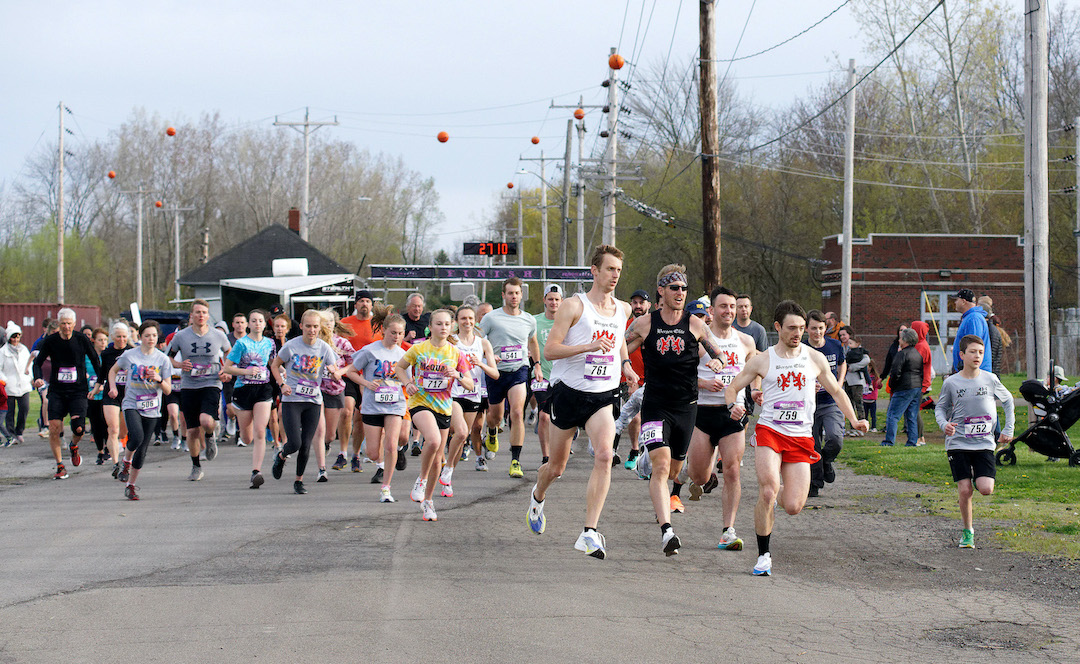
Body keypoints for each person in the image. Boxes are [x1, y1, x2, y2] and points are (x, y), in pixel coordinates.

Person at [724, 300, 868, 576]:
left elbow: (837, 391)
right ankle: (763, 555)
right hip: (770, 431)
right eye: (792, 328)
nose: (798, 333)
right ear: (778, 327)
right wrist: (733, 405)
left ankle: (775, 496)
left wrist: (854, 419)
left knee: (792, 506)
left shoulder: (814, 359)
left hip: (801, 436)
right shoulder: (763, 360)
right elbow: (733, 387)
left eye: (801, 328)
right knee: (768, 491)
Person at [528, 245, 635, 559]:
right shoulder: (574, 306)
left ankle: (589, 532)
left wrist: (626, 365)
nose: (614, 275)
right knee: (556, 468)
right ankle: (538, 495)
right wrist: (587, 347)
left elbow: (619, 341)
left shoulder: (623, 309)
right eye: (609, 269)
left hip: (603, 396)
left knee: (604, 454)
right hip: (568, 393)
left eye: (618, 270)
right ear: (594, 271)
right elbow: (550, 350)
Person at [625, 264, 726, 557]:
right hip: (656, 405)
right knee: (661, 466)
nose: (680, 293)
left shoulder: (694, 324)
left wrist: (717, 362)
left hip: (686, 407)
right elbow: (621, 347)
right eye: (674, 288)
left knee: (674, 470)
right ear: (661, 291)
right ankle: (667, 531)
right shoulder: (645, 323)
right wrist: (626, 366)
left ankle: (648, 463)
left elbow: (717, 352)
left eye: (683, 288)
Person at [684, 285, 759, 550]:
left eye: (733, 306)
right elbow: (681, 377)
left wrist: (756, 391)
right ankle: (689, 469)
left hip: (732, 414)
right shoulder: (698, 341)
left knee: (732, 470)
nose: (729, 311)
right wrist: (704, 383)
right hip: (702, 413)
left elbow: (755, 371)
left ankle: (728, 531)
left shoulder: (746, 341)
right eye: (723, 306)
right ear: (712, 311)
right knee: (700, 477)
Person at [935, 335, 1014, 549]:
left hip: (984, 443)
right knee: (964, 490)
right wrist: (944, 425)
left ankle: (977, 476)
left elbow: (1008, 401)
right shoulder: (951, 382)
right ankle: (967, 531)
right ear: (962, 355)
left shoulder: (990, 379)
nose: (977, 356)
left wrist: (1008, 429)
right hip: (958, 443)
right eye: (972, 352)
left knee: (986, 488)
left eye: (980, 352)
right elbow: (940, 408)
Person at [394, 309, 474, 521]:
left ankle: (428, 502)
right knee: (434, 440)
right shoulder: (419, 349)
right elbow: (399, 367)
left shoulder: (456, 353)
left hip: (443, 407)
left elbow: (470, 384)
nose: (443, 327)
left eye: (447, 324)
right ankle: (421, 479)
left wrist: (458, 375)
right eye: (439, 324)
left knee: (438, 458)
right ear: (430, 327)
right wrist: (407, 383)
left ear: (452, 327)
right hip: (420, 403)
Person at [269, 310, 343, 495]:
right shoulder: (291, 346)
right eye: (308, 326)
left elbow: (334, 369)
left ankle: (298, 481)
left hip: (313, 401)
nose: (312, 330)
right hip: (292, 399)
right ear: (301, 326)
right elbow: (274, 365)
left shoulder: (324, 348)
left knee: (306, 443)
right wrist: (282, 384)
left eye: (315, 326)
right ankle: (281, 456)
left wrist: (334, 373)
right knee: (294, 442)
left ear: (320, 328)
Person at [479, 277, 542, 478]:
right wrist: (489, 356)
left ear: (521, 295)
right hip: (496, 372)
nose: (513, 296)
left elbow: (533, 342)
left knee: (516, 412)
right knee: (496, 417)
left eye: (517, 293)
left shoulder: (529, 319)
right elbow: (477, 341)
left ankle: (515, 460)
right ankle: (491, 431)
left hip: (519, 369)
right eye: (510, 293)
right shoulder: (491, 318)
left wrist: (537, 365)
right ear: (503, 295)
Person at [346, 307, 410, 503]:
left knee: (390, 445)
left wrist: (410, 386)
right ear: (383, 330)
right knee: (373, 452)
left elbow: (408, 379)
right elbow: (351, 372)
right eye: (393, 332)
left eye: (400, 333)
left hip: (395, 404)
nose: (396, 337)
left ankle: (386, 488)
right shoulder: (370, 351)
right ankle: (381, 462)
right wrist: (367, 384)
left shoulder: (405, 355)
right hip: (372, 405)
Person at [166, 299, 232, 481]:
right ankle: (196, 466)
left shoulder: (218, 335)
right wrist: (179, 364)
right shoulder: (181, 336)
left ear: (208, 315)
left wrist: (226, 369)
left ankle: (210, 435)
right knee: (193, 431)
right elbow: (168, 358)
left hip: (211, 383)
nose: (201, 315)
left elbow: (230, 353)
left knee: (206, 420)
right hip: (189, 385)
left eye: (204, 312)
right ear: (192, 315)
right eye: (197, 312)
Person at [32, 308, 101, 480]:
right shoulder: (51, 341)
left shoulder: (81, 339)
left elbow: (95, 359)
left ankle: (73, 446)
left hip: (78, 391)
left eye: (69, 323)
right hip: (57, 391)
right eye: (63, 323)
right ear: (59, 324)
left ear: (74, 323)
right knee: (54, 427)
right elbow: (37, 363)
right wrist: (38, 378)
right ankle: (60, 466)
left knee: (79, 429)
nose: (66, 327)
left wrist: (100, 382)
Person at [108, 320, 173, 501]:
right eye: (147, 336)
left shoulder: (162, 359)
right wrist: (112, 387)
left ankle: (130, 485)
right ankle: (126, 462)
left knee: (143, 449)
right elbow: (112, 371)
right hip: (132, 403)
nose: (151, 339)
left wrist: (159, 379)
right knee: (136, 437)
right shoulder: (130, 355)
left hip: (152, 407)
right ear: (140, 336)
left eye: (154, 336)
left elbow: (168, 390)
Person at [443, 305, 499, 493]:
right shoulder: (451, 341)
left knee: (463, 436)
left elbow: (495, 374)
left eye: (470, 319)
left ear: (475, 321)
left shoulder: (483, 343)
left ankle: (448, 475)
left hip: (473, 394)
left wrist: (480, 364)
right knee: (459, 432)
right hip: (454, 392)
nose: (467, 322)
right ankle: (445, 466)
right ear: (456, 321)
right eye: (463, 319)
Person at [223, 309, 276, 489]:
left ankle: (256, 472)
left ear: (264, 323)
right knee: (247, 438)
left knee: (260, 431)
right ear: (248, 324)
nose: (257, 324)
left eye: (260, 320)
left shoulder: (269, 343)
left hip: (263, 389)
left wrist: (282, 372)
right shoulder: (241, 344)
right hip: (243, 389)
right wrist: (246, 371)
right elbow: (227, 368)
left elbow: (273, 363)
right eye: (253, 321)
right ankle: (241, 426)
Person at [803, 310, 846, 497]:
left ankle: (826, 462)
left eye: (821, 328)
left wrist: (839, 382)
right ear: (806, 329)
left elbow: (842, 363)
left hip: (830, 402)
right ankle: (814, 484)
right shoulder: (801, 349)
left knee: (835, 438)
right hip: (808, 404)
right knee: (812, 445)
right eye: (813, 328)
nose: (817, 332)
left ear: (825, 328)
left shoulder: (835, 345)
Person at [613, 289, 650, 469]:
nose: (638, 306)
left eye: (641, 302)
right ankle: (634, 450)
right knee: (634, 417)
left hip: (650, 379)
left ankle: (644, 455)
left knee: (647, 418)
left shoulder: (654, 325)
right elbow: (620, 350)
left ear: (649, 305)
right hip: (627, 379)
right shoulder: (626, 326)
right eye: (634, 302)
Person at [91, 323, 132, 476]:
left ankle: (125, 457)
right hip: (111, 394)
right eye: (118, 336)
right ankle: (115, 464)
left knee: (123, 432)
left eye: (124, 336)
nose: (121, 339)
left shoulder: (132, 352)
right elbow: (102, 375)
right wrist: (95, 389)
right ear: (113, 337)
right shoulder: (107, 353)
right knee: (113, 429)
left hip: (128, 395)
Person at [531, 285, 562, 466]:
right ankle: (546, 458)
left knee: (560, 418)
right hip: (541, 374)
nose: (553, 302)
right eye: (550, 299)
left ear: (562, 301)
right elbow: (526, 340)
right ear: (544, 300)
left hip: (564, 376)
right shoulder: (534, 321)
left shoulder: (568, 322)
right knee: (544, 416)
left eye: (557, 299)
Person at [881, 328, 923, 447]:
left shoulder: (902, 354)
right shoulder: (917, 354)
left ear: (905, 340)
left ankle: (889, 441)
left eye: (900, 338)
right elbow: (921, 372)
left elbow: (895, 372)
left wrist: (892, 385)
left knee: (893, 415)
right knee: (912, 415)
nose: (899, 340)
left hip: (903, 387)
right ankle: (912, 441)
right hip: (916, 387)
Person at [0, 323, 32, 446]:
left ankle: (19, 431)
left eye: (18, 336)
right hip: (9, 385)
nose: (16, 339)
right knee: (10, 411)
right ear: (9, 338)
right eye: (13, 337)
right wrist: (4, 380)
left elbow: (30, 364)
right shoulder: (3, 352)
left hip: (23, 384)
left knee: (24, 408)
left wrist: (30, 377)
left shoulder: (24, 350)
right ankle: (11, 434)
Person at [950, 289, 991, 373]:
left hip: (974, 373)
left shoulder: (973, 319)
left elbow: (974, 345)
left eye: (957, 300)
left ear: (963, 301)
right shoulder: (970, 317)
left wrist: (964, 366)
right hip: (969, 371)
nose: (955, 303)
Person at [85, 329, 108, 463]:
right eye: (100, 340)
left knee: (106, 423)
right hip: (91, 395)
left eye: (105, 340)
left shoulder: (108, 356)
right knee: (95, 424)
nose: (103, 343)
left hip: (106, 395)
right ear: (94, 341)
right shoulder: (87, 357)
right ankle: (100, 451)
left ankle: (108, 448)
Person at [863, 360, 881, 432]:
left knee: (873, 414)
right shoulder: (863, 376)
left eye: (870, 366)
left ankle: (874, 427)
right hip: (864, 398)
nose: (868, 368)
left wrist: (879, 383)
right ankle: (865, 427)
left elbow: (878, 386)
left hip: (872, 399)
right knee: (865, 414)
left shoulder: (875, 377)